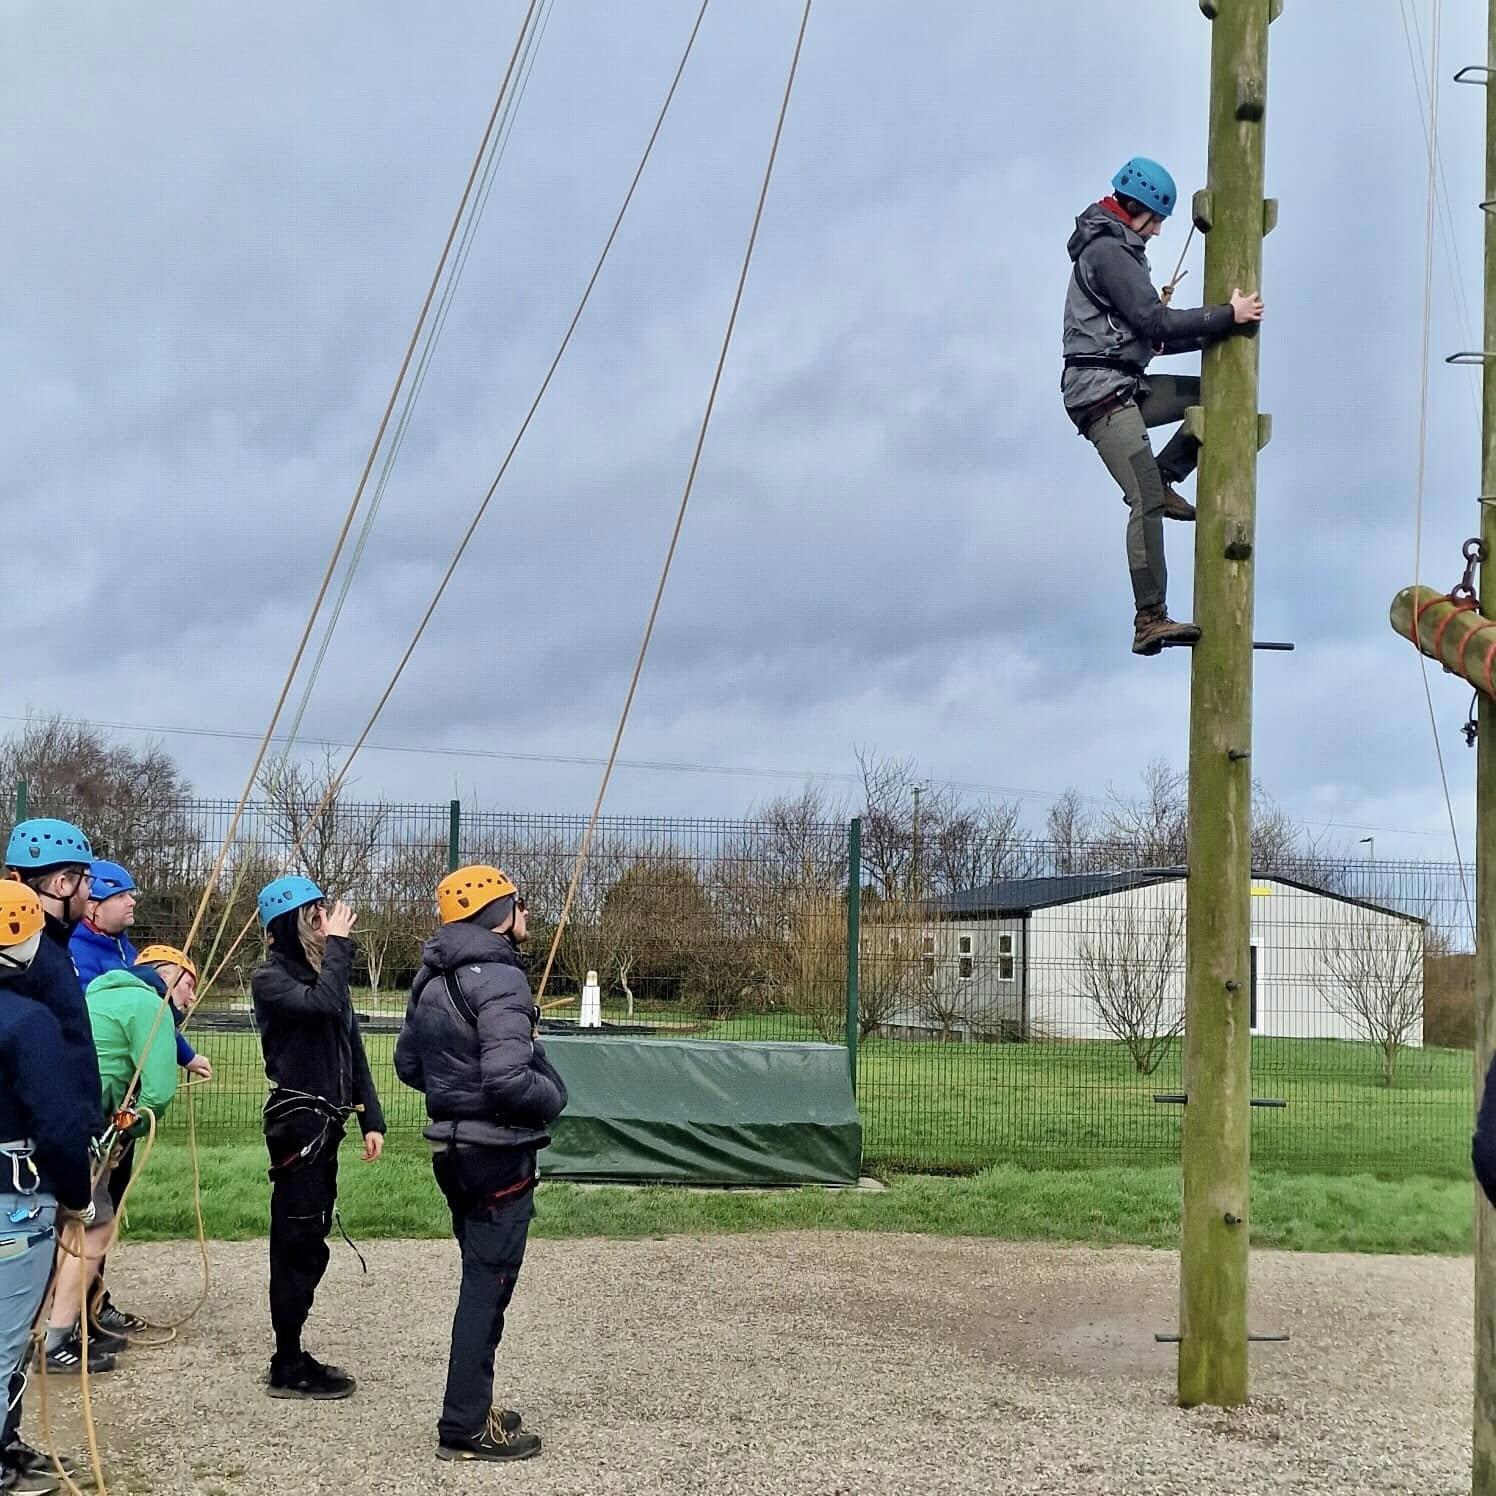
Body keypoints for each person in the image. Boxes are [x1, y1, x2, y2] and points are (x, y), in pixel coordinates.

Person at [395, 864, 567, 1464]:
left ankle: (473, 1406)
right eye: (519, 903)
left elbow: (409, 1066)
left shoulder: (430, 979)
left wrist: (457, 1089)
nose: (526, 913)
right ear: (497, 915)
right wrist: (554, 1094)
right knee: (486, 1289)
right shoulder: (502, 979)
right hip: (497, 1155)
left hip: (452, 1153)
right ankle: (465, 1424)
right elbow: (508, 1077)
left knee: (479, 1278)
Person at [1061, 155, 1266, 656]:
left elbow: (1153, 336)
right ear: (1135, 208)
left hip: (1126, 382)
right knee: (1144, 500)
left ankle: (1165, 474)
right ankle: (1149, 618)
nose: (1157, 232)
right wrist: (1227, 314)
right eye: (1155, 221)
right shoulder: (1109, 252)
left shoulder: (1120, 248)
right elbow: (1156, 324)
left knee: (1222, 399)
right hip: (1101, 396)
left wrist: (1220, 324)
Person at [251, 876, 384, 1401]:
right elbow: (323, 1005)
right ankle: (286, 1362)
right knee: (296, 1242)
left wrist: (371, 1117)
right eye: (314, 918)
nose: (325, 926)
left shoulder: (324, 978)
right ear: (289, 927)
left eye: (324, 916)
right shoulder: (271, 978)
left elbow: (352, 1047)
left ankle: (292, 1352)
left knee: (311, 1241)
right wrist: (341, 949)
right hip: (298, 1126)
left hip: (327, 1125)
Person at [70, 867, 210, 1342]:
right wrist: (128, 1124)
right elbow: (146, 1013)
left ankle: (91, 1305)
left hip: (115, 1104)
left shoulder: (124, 952)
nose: (133, 902)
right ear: (93, 905)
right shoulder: (74, 952)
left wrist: (184, 1054)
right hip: (93, 1104)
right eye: (122, 895)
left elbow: (156, 1015)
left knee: (101, 1204)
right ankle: (67, 1320)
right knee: (87, 1213)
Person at [0, 883, 95, 1496]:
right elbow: (58, 1125)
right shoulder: (28, 1023)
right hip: (13, 1198)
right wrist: (77, 1195)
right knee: (5, 1338)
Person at [43, 962, 177, 1376]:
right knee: (94, 1225)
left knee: (62, 1223)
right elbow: (158, 1091)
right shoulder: (151, 1006)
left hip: (46, 1113)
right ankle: (55, 1338)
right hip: (81, 1121)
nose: (189, 998)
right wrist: (130, 1129)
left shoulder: (94, 996)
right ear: (166, 981)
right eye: (187, 985)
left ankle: (50, 1328)